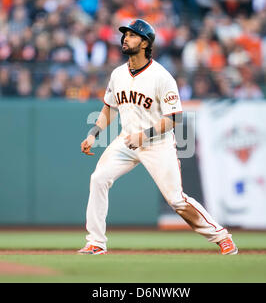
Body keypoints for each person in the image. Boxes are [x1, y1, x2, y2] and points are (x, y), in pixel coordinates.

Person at [78, 19, 238, 255]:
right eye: (125, 35)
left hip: (157, 144)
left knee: (176, 200)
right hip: (126, 140)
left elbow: (174, 118)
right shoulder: (117, 74)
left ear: (144, 42)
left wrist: (143, 136)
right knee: (98, 179)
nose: (125, 39)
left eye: (132, 36)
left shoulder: (162, 76)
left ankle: (222, 237)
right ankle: (96, 242)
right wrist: (94, 133)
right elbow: (109, 108)